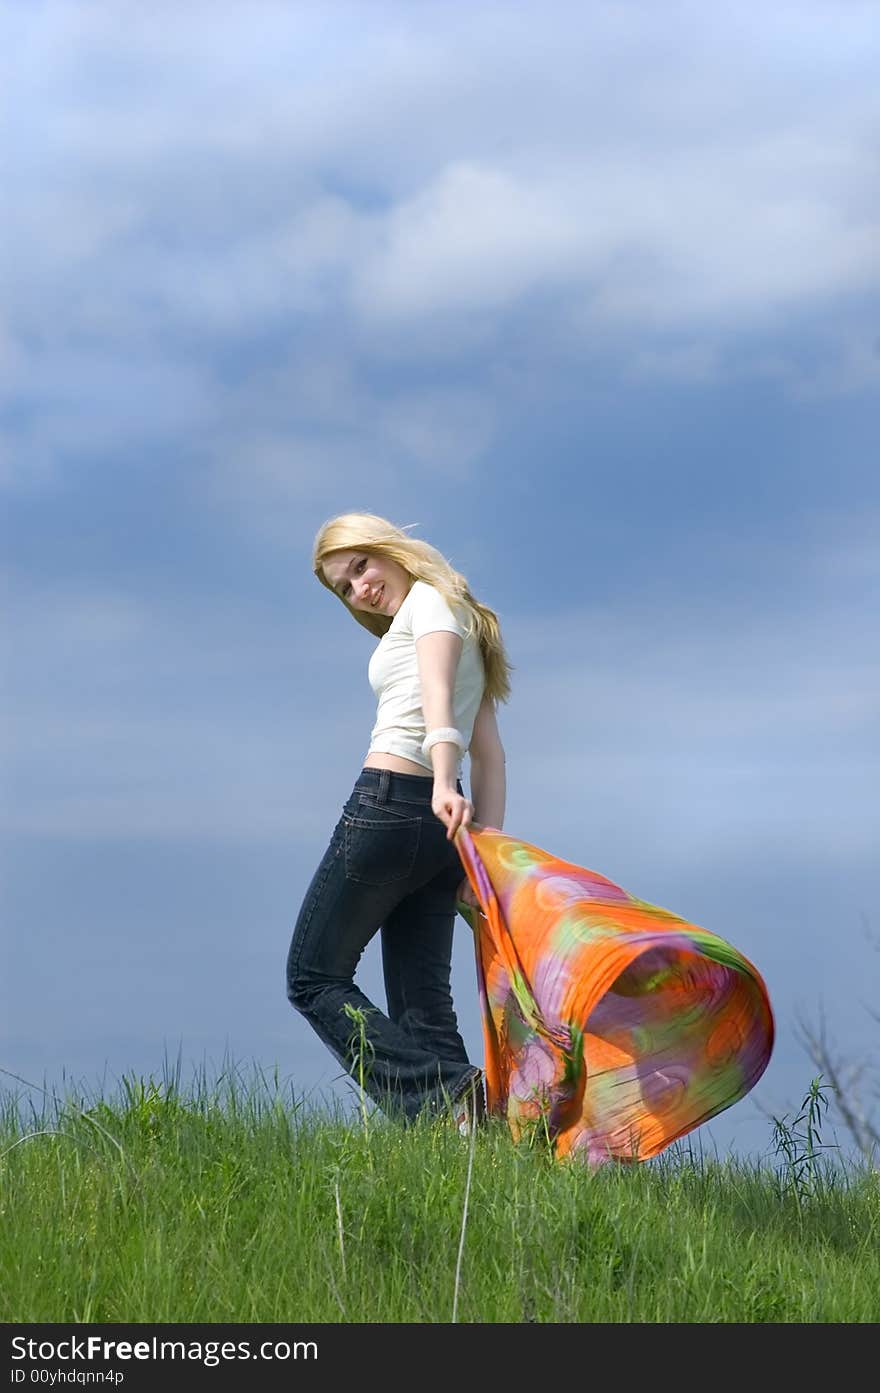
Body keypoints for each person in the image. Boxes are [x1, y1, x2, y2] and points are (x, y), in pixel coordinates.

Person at [286, 512, 511, 1127]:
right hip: (441, 830)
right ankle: (476, 1142)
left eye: (360, 566)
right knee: (423, 1005)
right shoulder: (467, 618)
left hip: (390, 805)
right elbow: (489, 757)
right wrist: (480, 850)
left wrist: (441, 778)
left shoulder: (429, 604)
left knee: (312, 977)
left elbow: (438, 698)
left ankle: (446, 1094)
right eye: (344, 586)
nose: (358, 588)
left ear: (388, 549)